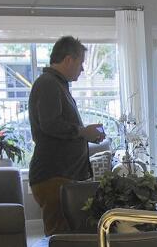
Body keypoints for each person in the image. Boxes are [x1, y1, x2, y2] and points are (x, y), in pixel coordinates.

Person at [28, 35, 105, 234]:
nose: (82, 69)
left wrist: (86, 134)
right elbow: (50, 124)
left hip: (62, 175)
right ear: (69, 60)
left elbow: (57, 124)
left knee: (67, 239)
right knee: (60, 240)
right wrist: (82, 131)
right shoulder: (48, 84)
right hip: (54, 176)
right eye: (81, 63)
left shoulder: (57, 84)